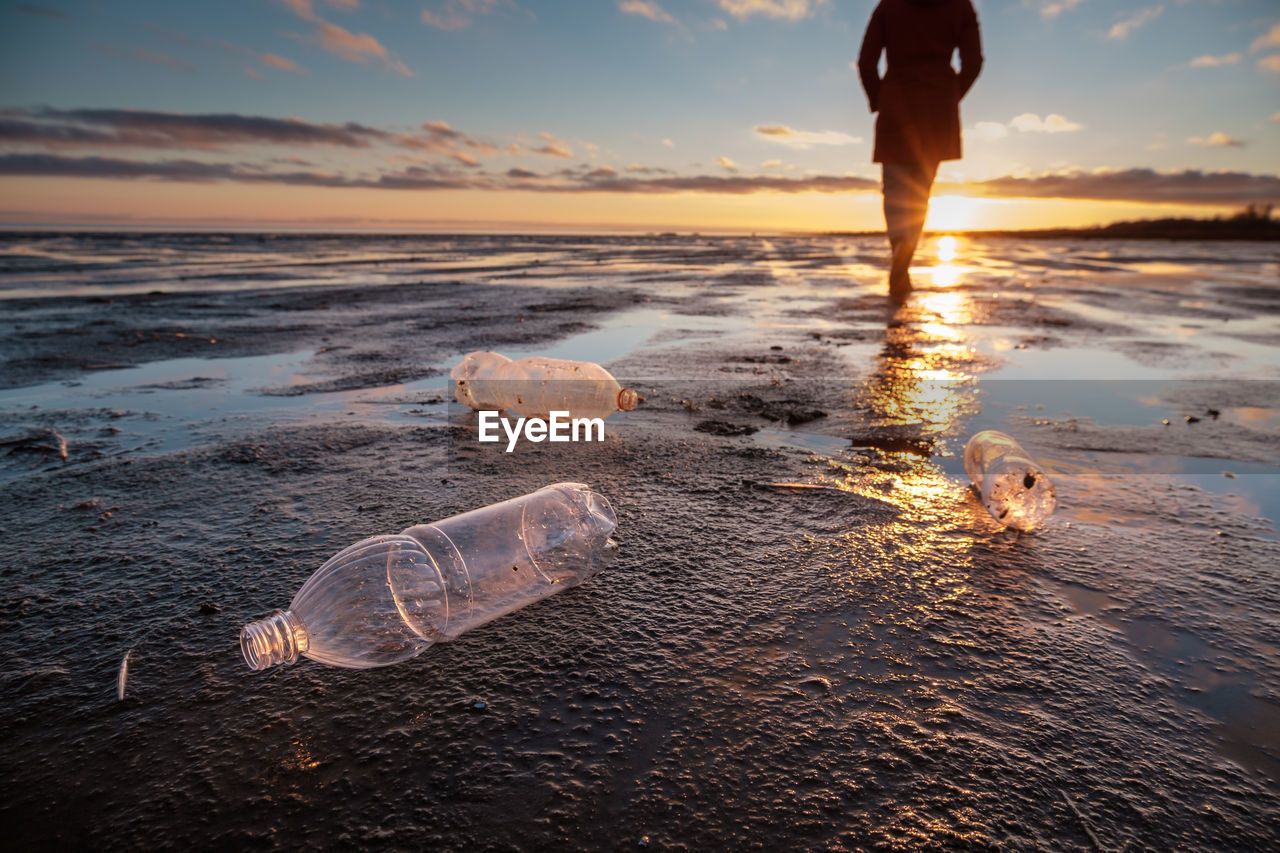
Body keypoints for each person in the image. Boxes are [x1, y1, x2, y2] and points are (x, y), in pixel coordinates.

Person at [858, 0, 983, 302]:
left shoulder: (889, 6)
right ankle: (905, 254)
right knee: (919, 192)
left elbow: (866, 62)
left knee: (894, 190)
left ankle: (901, 245)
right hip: (937, 107)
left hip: (897, 101)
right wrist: (950, 96)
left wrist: (880, 100)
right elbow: (974, 63)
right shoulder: (961, 6)